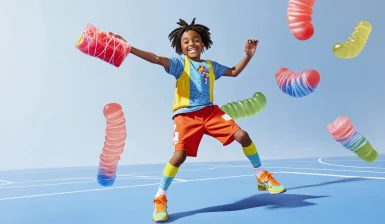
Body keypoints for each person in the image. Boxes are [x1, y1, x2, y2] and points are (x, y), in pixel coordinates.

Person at [110, 18, 286, 222]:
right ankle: (160, 196)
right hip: (185, 116)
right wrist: (129, 47)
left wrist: (247, 56)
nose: (191, 43)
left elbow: (234, 72)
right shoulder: (178, 64)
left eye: (195, 39)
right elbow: (155, 58)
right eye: (186, 41)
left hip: (211, 112)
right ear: (181, 48)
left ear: (202, 44)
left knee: (243, 135)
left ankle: (261, 175)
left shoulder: (211, 66)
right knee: (179, 156)